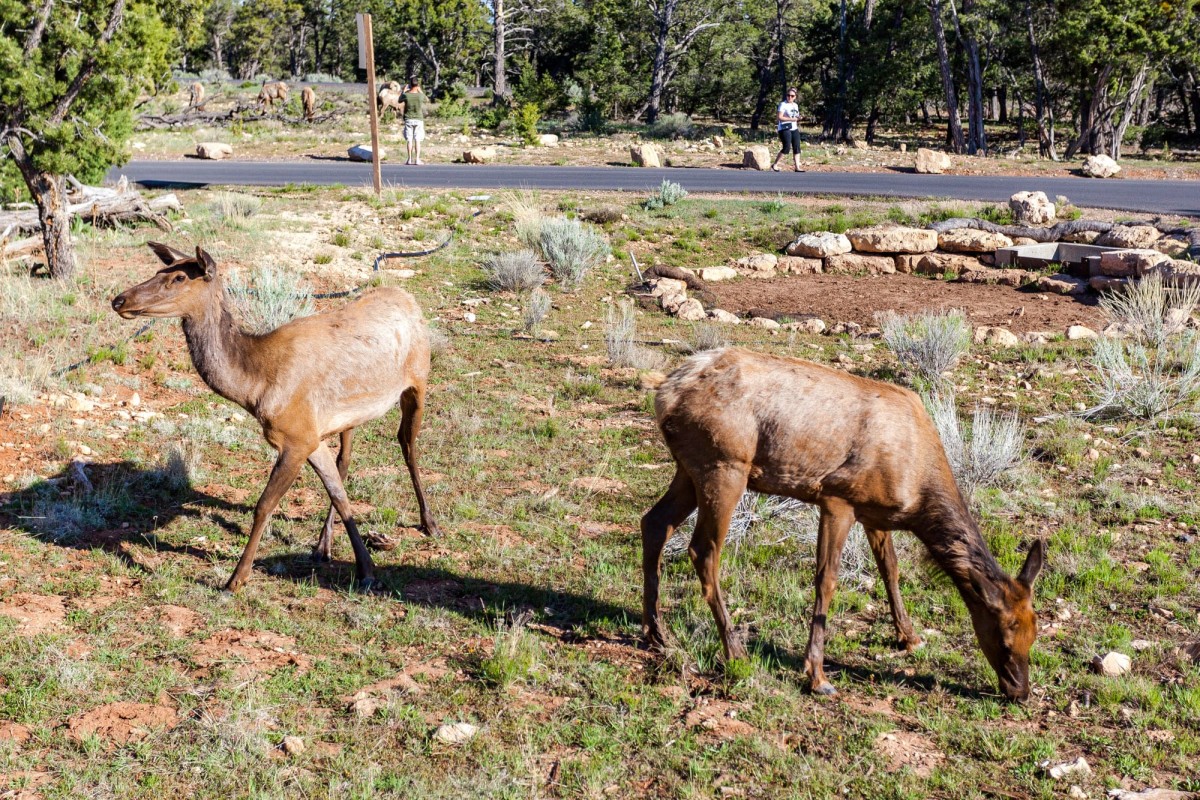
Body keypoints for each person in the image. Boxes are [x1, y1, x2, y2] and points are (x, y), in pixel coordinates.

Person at [771, 88, 802, 172]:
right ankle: (775, 164)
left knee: (797, 147)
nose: (790, 97)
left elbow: (795, 116)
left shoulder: (795, 105)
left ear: (795, 97)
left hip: (794, 128)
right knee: (786, 147)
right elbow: (779, 117)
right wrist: (792, 119)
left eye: (792, 96)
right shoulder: (783, 104)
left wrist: (798, 118)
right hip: (784, 128)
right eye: (788, 95)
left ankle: (797, 167)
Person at [399, 76, 427, 165]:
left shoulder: (406, 95)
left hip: (409, 119)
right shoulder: (420, 96)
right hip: (418, 119)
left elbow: (399, 100)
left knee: (409, 140)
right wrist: (420, 90)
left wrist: (404, 90)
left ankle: (409, 159)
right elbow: (426, 99)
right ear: (417, 84)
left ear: (410, 85)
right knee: (417, 140)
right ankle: (417, 159)